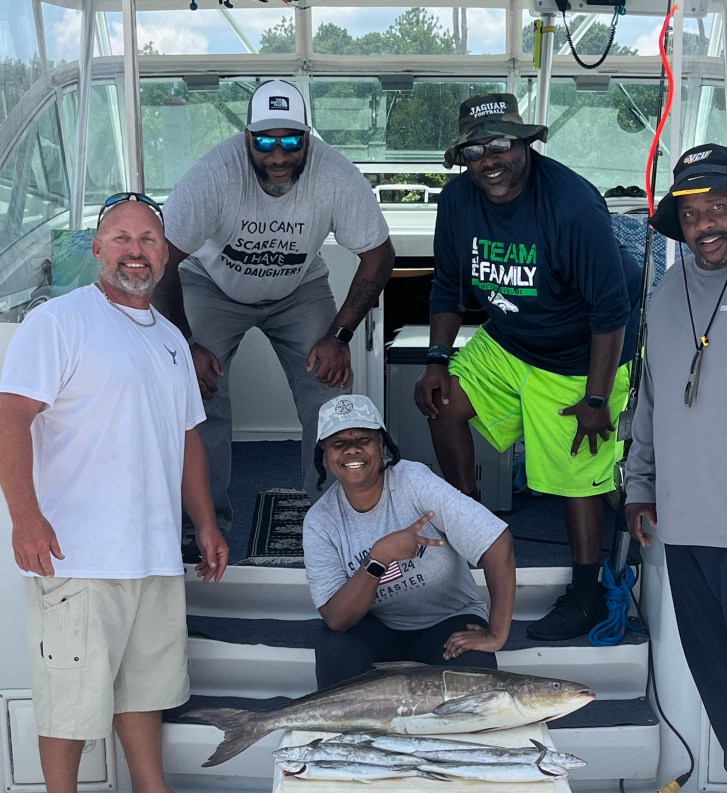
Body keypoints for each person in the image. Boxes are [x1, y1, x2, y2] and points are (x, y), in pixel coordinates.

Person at [0, 193, 229, 793]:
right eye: (122, 238)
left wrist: (205, 523)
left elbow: (188, 438)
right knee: (70, 688)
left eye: (149, 239)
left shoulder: (169, 339)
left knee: (146, 682)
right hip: (77, 549)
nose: (136, 251)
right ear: (97, 250)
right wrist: (25, 516)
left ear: (166, 254)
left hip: (151, 548)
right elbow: (10, 416)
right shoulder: (58, 321)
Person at [414, 93, 641, 642]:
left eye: (499, 145)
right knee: (442, 404)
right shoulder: (458, 200)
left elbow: (611, 310)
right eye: (473, 151)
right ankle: (471, 528)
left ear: (524, 144)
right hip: (509, 340)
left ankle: (586, 594)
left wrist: (596, 398)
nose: (488, 160)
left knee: (575, 471)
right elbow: (447, 286)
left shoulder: (572, 204)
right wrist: (437, 360)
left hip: (581, 354)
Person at [152, 79, 395, 551]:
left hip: (298, 289)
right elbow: (163, 260)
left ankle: (338, 522)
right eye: (265, 142)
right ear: (247, 137)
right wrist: (186, 344)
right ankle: (202, 528)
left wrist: (339, 336)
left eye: (292, 141)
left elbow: (379, 256)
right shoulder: (214, 174)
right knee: (196, 393)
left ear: (308, 138)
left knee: (330, 393)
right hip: (212, 285)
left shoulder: (336, 174)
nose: (279, 155)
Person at [624, 144, 727, 793]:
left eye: (719, 207)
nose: (705, 223)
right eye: (690, 212)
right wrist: (639, 483)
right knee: (719, 677)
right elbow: (652, 396)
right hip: (687, 528)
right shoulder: (667, 290)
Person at [302, 395, 516, 690]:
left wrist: (497, 633)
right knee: (334, 651)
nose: (352, 449)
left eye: (363, 439)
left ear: (382, 446)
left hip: (447, 620)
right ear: (324, 456)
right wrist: (378, 558)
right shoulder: (320, 520)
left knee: (476, 678)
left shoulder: (414, 481)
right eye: (338, 444)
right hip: (378, 626)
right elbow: (337, 618)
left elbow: (497, 541)